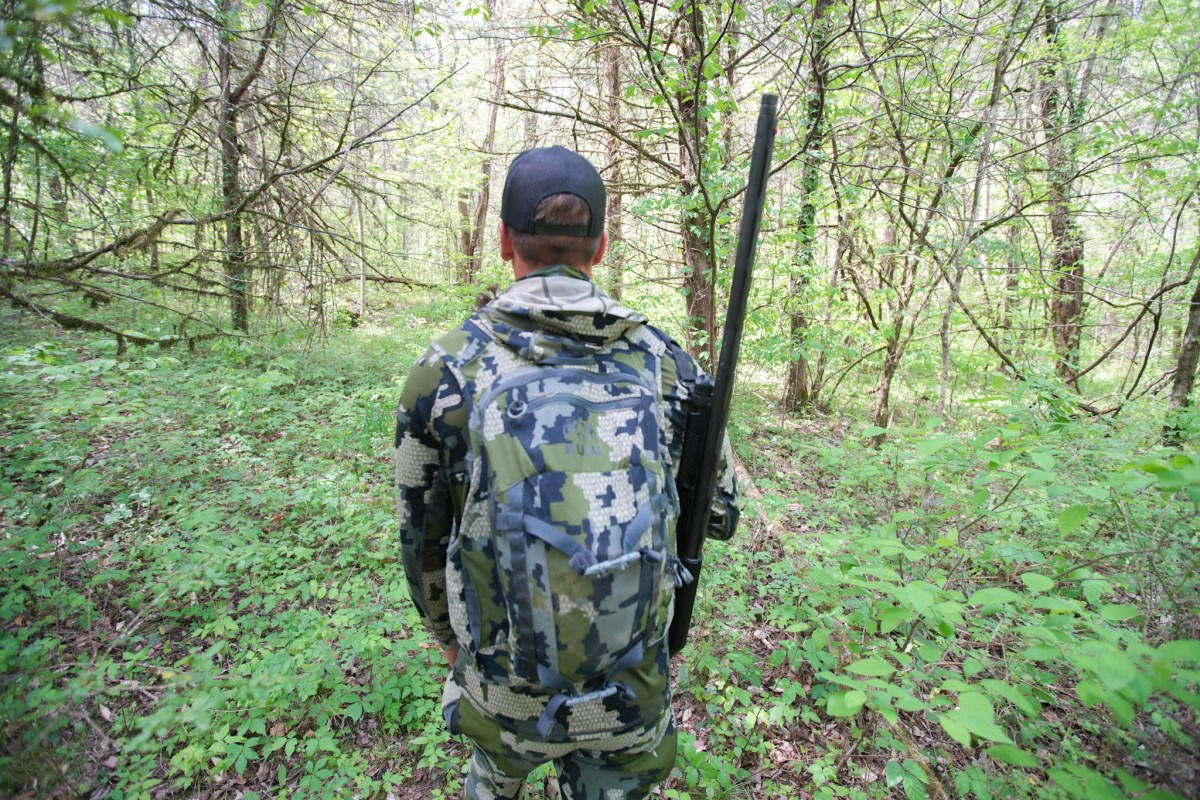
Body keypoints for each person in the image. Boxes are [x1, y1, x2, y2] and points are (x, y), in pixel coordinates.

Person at [394, 145, 739, 800]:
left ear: (502, 240)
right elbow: (718, 513)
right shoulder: (671, 367)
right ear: (601, 246)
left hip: (505, 698)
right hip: (627, 699)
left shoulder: (443, 370)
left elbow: (421, 539)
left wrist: (447, 641)